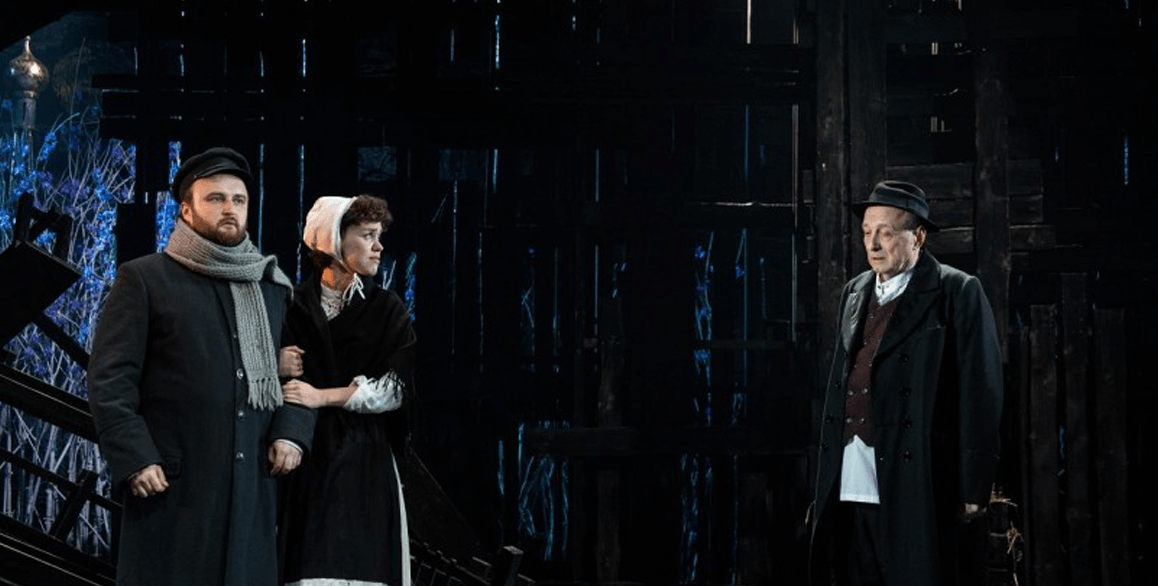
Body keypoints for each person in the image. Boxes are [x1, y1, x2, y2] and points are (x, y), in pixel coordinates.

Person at [87, 147, 315, 586]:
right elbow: (110, 380)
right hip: (174, 490)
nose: (229, 208)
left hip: (250, 487)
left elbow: (303, 370)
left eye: (238, 199)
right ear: (186, 210)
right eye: (215, 198)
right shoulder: (146, 279)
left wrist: (292, 431)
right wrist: (136, 458)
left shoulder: (271, 287)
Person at [809, 180, 1003, 586]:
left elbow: (980, 391)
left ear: (918, 236)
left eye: (885, 232)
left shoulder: (956, 290)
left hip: (917, 476)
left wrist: (973, 486)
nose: (873, 244)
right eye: (867, 232)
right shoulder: (855, 291)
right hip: (852, 474)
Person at [278, 195, 417, 586]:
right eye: (368, 235)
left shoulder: (386, 308)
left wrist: (321, 396)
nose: (379, 246)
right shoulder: (292, 305)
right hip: (306, 454)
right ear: (334, 240)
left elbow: (394, 389)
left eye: (379, 236)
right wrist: (275, 362)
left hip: (364, 454)